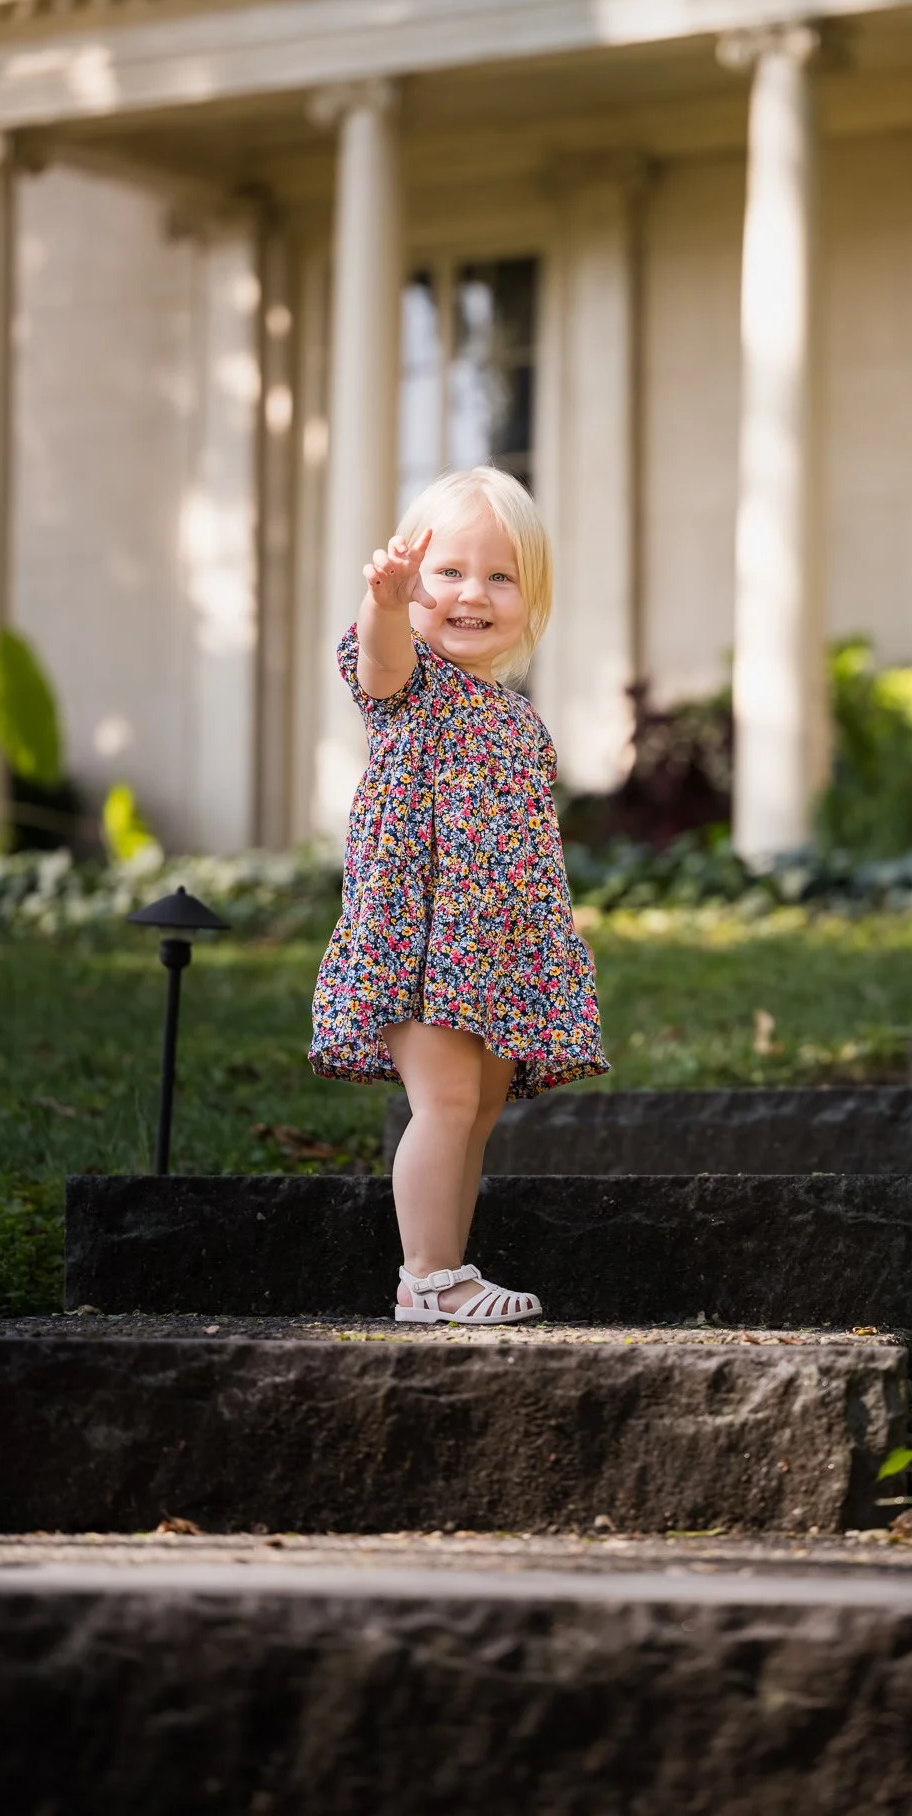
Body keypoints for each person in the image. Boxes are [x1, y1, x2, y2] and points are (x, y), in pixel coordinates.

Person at [310, 465, 608, 1325]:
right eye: (448, 572)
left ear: (531, 598)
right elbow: (379, 658)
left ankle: (448, 1272)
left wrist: (546, 937)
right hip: (422, 939)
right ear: (414, 584)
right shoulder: (412, 690)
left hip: (499, 947)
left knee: (474, 1109)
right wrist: (386, 601)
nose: (472, 593)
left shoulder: (516, 717)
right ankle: (428, 1277)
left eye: (500, 576)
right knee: (440, 1102)